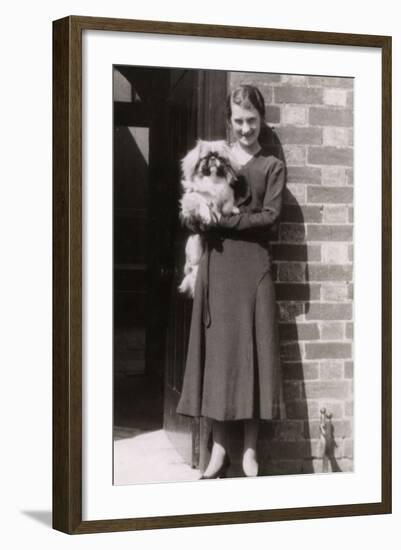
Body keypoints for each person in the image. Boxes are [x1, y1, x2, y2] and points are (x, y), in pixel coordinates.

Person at [176, 84, 286, 479]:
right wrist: (197, 216)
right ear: (230, 121)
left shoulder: (271, 164)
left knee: (254, 357)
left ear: (262, 119)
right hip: (218, 268)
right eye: (238, 121)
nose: (245, 129)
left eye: (252, 121)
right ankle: (219, 451)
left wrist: (227, 220)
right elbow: (192, 205)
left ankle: (251, 452)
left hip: (253, 268)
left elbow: (270, 218)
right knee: (221, 359)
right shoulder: (213, 158)